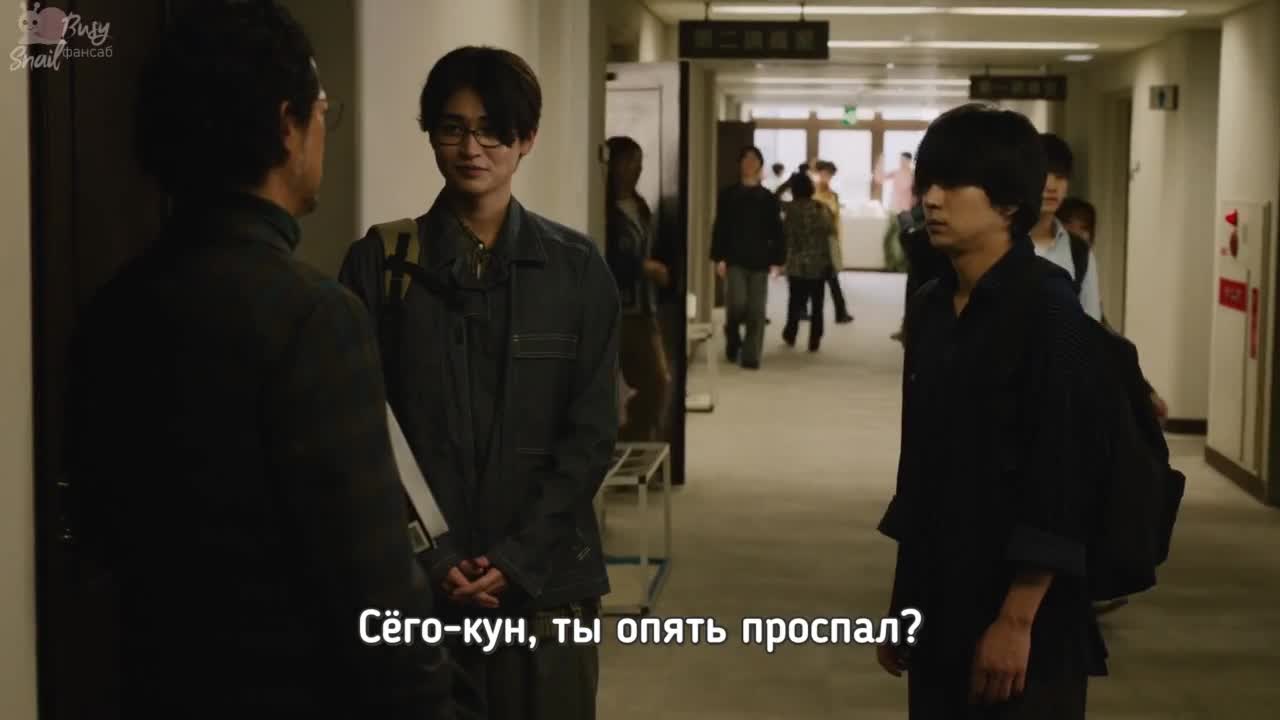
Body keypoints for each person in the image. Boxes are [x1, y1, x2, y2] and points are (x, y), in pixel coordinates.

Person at [65, 3, 471, 718]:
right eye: (322, 111)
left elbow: (98, 532)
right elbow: (372, 586)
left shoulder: (112, 307)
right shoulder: (314, 318)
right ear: (288, 125)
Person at [338, 46, 617, 720]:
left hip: (547, 590)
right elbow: (358, 429)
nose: (471, 149)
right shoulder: (382, 263)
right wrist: (433, 557)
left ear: (527, 139)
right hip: (417, 592)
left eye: (492, 131)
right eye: (453, 128)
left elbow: (591, 434)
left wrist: (518, 558)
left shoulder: (576, 269)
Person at [876, 104, 1106, 719]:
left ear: (1007, 203)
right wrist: (905, 604)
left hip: (1026, 618)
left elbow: (1063, 475)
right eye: (929, 182)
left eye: (954, 184)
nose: (932, 199)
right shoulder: (932, 308)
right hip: (940, 595)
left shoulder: (1049, 310)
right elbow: (921, 467)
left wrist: (1017, 619)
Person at [604, 135, 673, 441]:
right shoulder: (603, 209)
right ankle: (631, 440)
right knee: (649, 382)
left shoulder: (640, 206)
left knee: (658, 381)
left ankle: (637, 438)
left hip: (646, 306)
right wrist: (642, 268)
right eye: (630, 162)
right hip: (620, 308)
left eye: (640, 163)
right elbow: (605, 256)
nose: (637, 169)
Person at [711, 145, 786, 369]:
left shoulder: (768, 198)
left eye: (754, 159)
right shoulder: (728, 195)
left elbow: (777, 230)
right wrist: (718, 257)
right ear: (740, 164)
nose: (749, 163)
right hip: (734, 258)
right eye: (745, 159)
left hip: (760, 260)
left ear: (760, 165)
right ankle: (732, 334)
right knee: (736, 305)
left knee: (756, 310)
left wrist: (778, 260)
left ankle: (751, 356)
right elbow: (720, 227)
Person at [1031, 135, 1102, 321]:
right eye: (1043, 175)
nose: (1052, 186)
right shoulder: (998, 243)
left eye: (1060, 177)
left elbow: (1090, 323)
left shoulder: (1079, 252)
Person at [780, 172, 836, 352]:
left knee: (795, 301)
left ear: (794, 189)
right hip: (818, 264)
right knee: (817, 304)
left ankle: (791, 333)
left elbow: (772, 200)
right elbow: (831, 231)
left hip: (796, 263)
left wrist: (785, 184)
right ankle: (815, 338)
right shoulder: (821, 208)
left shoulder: (790, 208)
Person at [813, 160, 854, 324]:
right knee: (819, 281)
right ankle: (840, 312)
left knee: (832, 278)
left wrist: (837, 241)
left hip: (830, 242)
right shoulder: (812, 193)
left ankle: (840, 312)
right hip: (815, 243)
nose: (826, 177)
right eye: (823, 173)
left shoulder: (834, 195)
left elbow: (836, 221)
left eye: (829, 174)